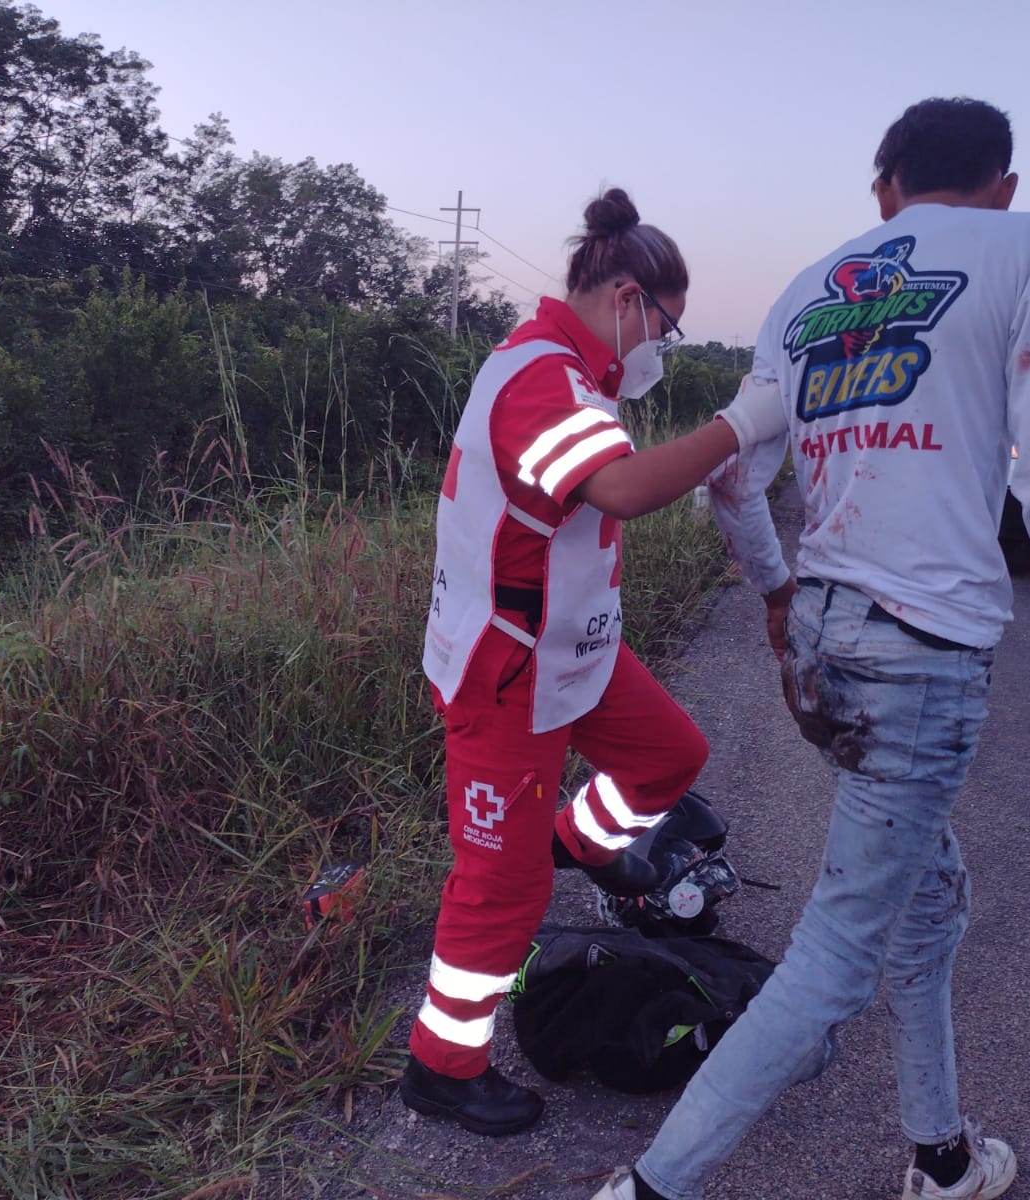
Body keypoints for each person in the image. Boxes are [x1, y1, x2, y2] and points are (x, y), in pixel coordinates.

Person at [591, 97, 1030, 1200]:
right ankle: (648, 1189)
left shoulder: (807, 291)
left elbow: (735, 482)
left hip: (828, 643)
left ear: (882, 187)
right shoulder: (1027, 246)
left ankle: (939, 1157)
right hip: (919, 660)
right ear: (1004, 183)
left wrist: (781, 601)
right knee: (832, 960)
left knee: (926, 900)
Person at [402, 188, 785, 1136]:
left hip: (575, 655)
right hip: (508, 674)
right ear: (626, 297)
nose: (665, 347)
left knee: (668, 759)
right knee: (500, 892)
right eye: (668, 327)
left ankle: (572, 842)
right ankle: (441, 1067)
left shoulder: (579, 376)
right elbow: (618, 488)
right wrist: (738, 424)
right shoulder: (538, 377)